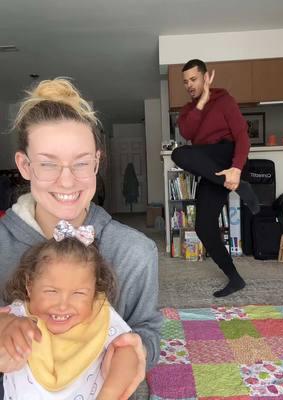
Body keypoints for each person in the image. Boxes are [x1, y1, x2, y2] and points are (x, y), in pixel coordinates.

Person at [0, 78, 162, 398]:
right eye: (48, 163)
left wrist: (135, 350)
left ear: (97, 163)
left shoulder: (135, 251)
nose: (66, 180)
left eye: (81, 163)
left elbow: (147, 332)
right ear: (25, 165)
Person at [1, 220, 138, 399]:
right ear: (29, 285)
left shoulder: (99, 314)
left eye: (79, 293)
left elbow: (127, 353)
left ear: (94, 292)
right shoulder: (19, 314)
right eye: (51, 291)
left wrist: (109, 394)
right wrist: (5, 326)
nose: (63, 305)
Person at [171, 59, 259, 298]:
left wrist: (237, 169)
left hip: (228, 157)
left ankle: (239, 182)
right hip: (212, 169)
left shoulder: (224, 100)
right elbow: (188, 133)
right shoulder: (188, 111)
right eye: (186, 81)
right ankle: (235, 278)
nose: (189, 85)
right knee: (203, 226)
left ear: (206, 76)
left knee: (186, 154)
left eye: (194, 79)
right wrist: (201, 101)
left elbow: (242, 137)